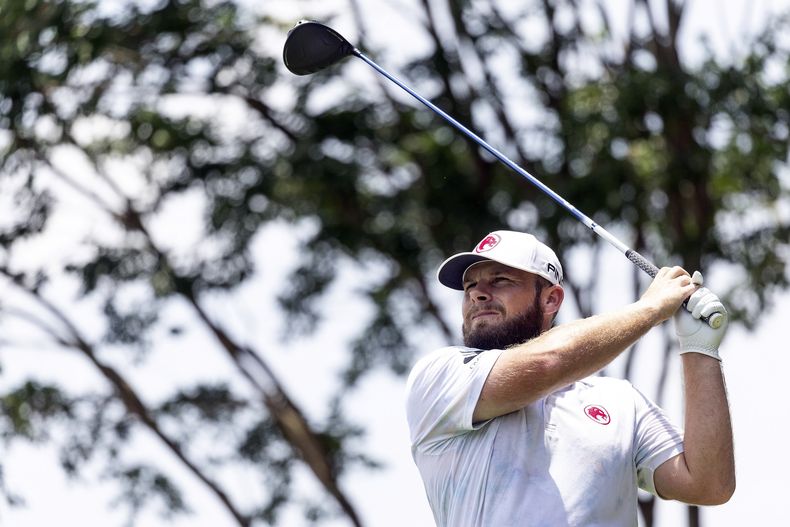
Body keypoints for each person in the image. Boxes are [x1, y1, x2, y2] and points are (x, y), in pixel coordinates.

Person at [405, 230, 735, 526]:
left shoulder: (621, 401)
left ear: (551, 299)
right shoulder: (440, 376)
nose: (478, 294)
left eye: (500, 280)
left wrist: (699, 348)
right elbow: (549, 361)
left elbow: (708, 484)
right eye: (470, 286)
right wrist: (650, 308)